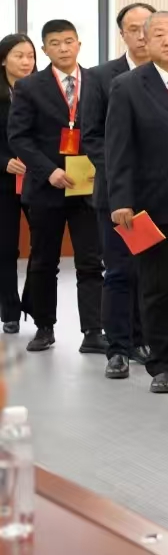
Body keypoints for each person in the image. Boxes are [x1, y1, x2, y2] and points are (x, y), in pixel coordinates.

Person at [103, 11, 168, 393]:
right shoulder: (127, 86)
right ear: (145, 40)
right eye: (159, 34)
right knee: (155, 288)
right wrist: (121, 200)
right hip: (149, 205)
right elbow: (119, 148)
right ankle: (163, 364)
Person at [6, 20, 106, 354]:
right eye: (55, 43)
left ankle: (93, 330)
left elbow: (108, 129)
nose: (63, 48)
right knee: (44, 260)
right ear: (44, 49)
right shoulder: (29, 87)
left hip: (88, 186)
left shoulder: (98, 82)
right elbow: (19, 136)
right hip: (46, 187)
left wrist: (101, 167)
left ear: (79, 44)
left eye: (68, 41)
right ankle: (44, 326)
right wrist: (48, 170)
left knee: (90, 261)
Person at [82, 2, 156, 373]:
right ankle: (118, 348)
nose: (141, 35)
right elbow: (91, 136)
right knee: (119, 271)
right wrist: (123, 172)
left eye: (147, 27)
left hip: (161, 193)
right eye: (133, 28)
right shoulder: (101, 77)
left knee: (151, 273)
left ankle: (143, 339)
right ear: (122, 34)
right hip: (117, 194)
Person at [0, 35, 36, 334]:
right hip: (4, 181)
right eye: (18, 56)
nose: (26, 62)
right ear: (3, 60)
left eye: (30, 56)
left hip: (38, 178)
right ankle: (10, 310)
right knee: (6, 247)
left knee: (44, 245)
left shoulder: (42, 91)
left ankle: (34, 304)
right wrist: (3, 162)